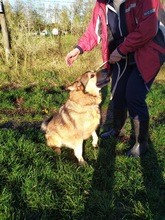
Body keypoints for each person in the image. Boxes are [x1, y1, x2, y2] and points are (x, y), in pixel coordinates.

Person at [65, 0, 165, 157]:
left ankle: (141, 143)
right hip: (121, 55)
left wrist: (122, 49)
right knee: (117, 93)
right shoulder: (101, 4)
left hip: (149, 51)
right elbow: (94, 32)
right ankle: (117, 129)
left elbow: (148, 29)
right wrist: (79, 48)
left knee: (133, 95)